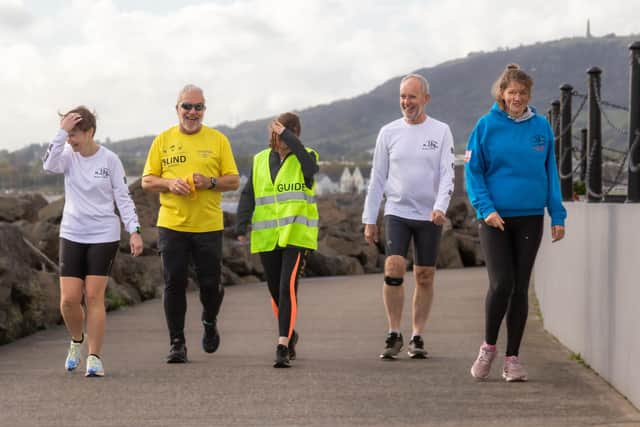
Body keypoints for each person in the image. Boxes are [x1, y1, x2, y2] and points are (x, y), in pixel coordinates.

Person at [465, 64, 566, 382]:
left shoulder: (541, 127)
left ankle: (512, 359)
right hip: (494, 217)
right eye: (512, 93)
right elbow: (474, 172)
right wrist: (485, 209)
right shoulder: (485, 126)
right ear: (502, 94)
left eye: (523, 93)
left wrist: (557, 214)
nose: (517, 98)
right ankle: (488, 347)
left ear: (529, 95)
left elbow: (551, 173)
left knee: (520, 287)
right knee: (501, 283)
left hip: (531, 216)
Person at [42, 106, 144, 377]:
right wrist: (60, 132)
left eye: (75, 134)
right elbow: (48, 165)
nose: (71, 140)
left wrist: (133, 230)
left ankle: (95, 357)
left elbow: (123, 197)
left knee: (93, 295)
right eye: (68, 134)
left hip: (103, 234)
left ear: (90, 132)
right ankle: (77, 341)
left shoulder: (110, 160)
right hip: (73, 232)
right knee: (68, 300)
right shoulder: (66, 157)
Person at [141, 84, 240, 363]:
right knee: (174, 282)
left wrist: (209, 182)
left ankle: (209, 321)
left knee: (210, 285)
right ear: (177, 109)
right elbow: (148, 180)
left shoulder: (218, 140)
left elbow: (233, 179)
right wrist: (169, 183)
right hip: (172, 225)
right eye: (187, 106)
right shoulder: (162, 140)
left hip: (208, 225)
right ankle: (177, 343)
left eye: (198, 107)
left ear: (204, 110)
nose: (192, 112)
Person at [362, 74, 455, 360]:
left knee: (425, 276)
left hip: (430, 215)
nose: (407, 102)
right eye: (403, 97)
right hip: (397, 211)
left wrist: (441, 206)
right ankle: (393, 333)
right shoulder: (388, 133)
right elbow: (377, 178)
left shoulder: (441, 131)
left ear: (425, 98)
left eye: (412, 97)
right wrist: (369, 218)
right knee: (393, 267)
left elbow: (447, 174)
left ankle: (417, 335)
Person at [235, 112, 319, 368]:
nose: (279, 139)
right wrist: (241, 224)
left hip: (297, 235)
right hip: (267, 236)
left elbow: (310, 168)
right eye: (276, 133)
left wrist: (287, 135)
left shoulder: (307, 157)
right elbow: (248, 194)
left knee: (287, 287)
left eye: (284, 134)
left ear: (294, 134)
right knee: (274, 290)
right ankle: (290, 331)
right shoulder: (260, 159)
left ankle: (282, 344)